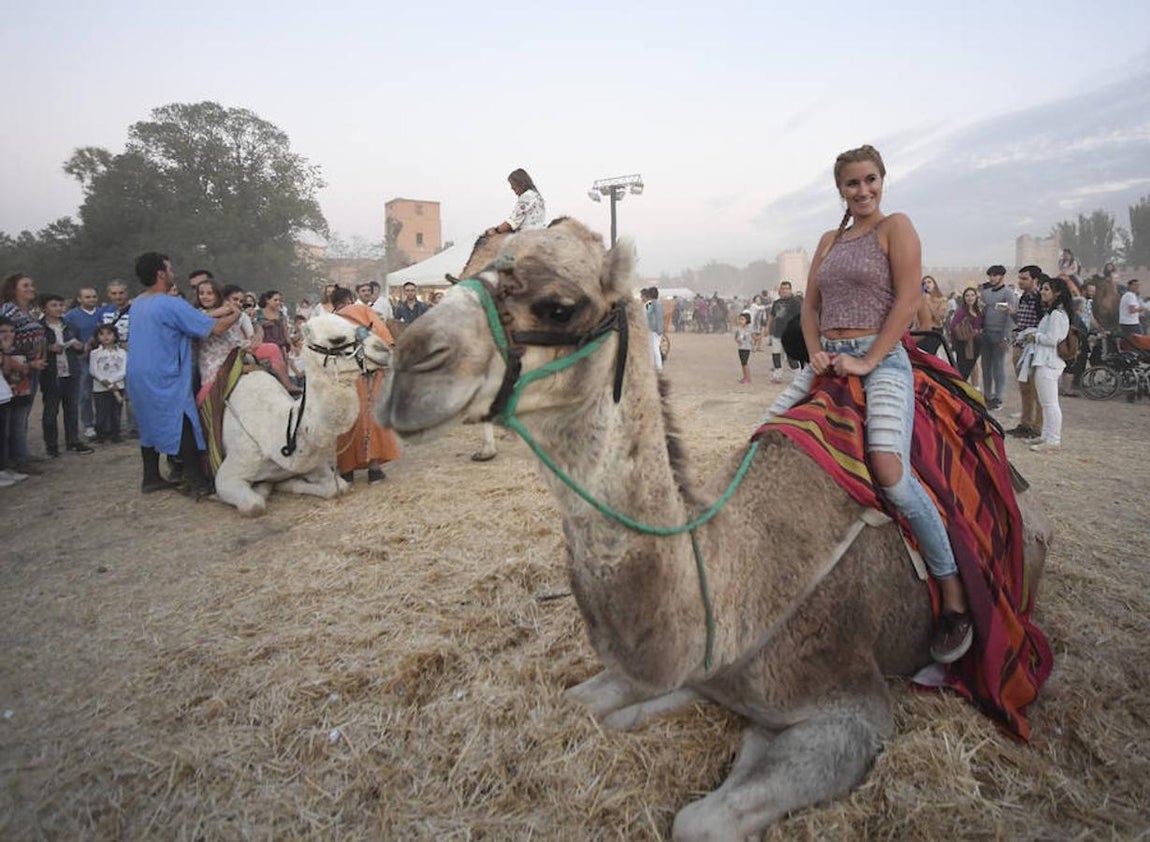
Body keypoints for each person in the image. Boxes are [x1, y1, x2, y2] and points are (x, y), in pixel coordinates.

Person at [761, 144, 971, 664]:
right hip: (827, 360)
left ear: (882, 180)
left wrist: (868, 359)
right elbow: (810, 307)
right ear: (840, 189)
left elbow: (905, 301)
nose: (863, 191)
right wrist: (815, 353)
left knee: (891, 473)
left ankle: (952, 597)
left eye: (870, 180)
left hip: (883, 360)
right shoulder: (829, 239)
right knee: (762, 444)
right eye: (852, 184)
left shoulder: (895, 227)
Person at [125, 252, 240, 495]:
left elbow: (198, 318)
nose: (172, 273)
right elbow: (215, 329)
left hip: (137, 373)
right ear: (160, 274)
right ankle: (196, 481)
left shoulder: (137, 303)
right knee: (184, 421)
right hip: (165, 374)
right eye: (169, 269)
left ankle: (151, 476)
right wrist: (236, 314)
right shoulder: (170, 303)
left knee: (148, 422)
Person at [330, 286, 399, 484]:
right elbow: (384, 339)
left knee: (346, 420)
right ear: (350, 299)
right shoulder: (363, 311)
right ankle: (374, 470)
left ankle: (347, 471)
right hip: (368, 373)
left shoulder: (328, 321)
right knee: (370, 418)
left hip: (341, 376)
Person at [0, 273, 47, 473]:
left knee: (24, 413)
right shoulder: (8, 310)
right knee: (16, 415)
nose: (31, 288)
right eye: (25, 285)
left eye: (32, 284)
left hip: (32, 366)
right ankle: (17, 459)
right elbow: (6, 339)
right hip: (17, 369)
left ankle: (21, 452)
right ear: (13, 289)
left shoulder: (27, 311)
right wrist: (28, 362)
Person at [1018, 277, 1071, 452]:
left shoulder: (1057, 314)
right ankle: (1046, 436)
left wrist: (1035, 336)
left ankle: (1053, 439)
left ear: (1057, 293)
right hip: (1043, 359)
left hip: (1049, 361)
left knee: (1050, 403)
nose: (1042, 292)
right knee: (1045, 401)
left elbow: (1053, 339)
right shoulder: (1052, 313)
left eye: (1046, 289)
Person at [38, 293, 92, 456]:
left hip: (71, 370)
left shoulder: (69, 325)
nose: (58, 308)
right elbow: (35, 349)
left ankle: (73, 440)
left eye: (61, 305)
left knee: (71, 409)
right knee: (51, 410)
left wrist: (78, 346)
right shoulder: (39, 328)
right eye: (54, 305)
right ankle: (52, 445)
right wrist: (49, 348)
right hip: (51, 373)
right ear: (44, 308)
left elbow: (81, 347)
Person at [1005, 266, 1043, 440]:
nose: (1021, 281)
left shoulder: (1040, 299)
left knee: (1037, 389)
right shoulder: (1023, 298)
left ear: (1035, 280)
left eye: (1025, 278)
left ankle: (1037, 427)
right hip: (1020, 345)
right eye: (1020, 278)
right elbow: (1022, 321)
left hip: (1034, 348)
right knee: (1025, 388)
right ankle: (1025, 423)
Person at [0, 316, 31, 487]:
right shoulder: (4, 351)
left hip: (14, 394)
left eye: (11, 331)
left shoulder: (18, 349)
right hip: (5, 392)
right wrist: (5, 352)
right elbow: (5, 369)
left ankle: (9, 466)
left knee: (12, 431)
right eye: (3, 332)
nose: (8, 335)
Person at [978, 265, 1012, 411]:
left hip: (1000, 334)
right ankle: (987, 395)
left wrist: (1006, 337)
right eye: (990, 275)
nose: (992, 278)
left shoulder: (1008, 293)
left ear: (1002, 276)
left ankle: (998, 397)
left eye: (995, 275)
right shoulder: (985, 293)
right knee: (985, 367)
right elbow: (982, 313)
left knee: (998, 367)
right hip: (986, 333)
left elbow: (1010, 317)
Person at [89, 324, 127, 443]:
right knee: (101, 412)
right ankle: (101, 435)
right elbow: (93, 370)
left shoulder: (122, 353)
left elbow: (124, 370)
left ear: (115, 336)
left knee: (115, 412)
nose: (105, 337)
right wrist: (104, 381)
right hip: (100, 387)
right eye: (102, 334)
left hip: (117, 386)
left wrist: (112, 381)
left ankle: (115, 434)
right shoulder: (95, 353)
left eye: (109, 333)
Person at [484, 167, 546, 237]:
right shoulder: (537, 196)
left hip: (526, 236)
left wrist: (496, 230)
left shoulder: (526, 197)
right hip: (540, 232)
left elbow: (513, 221)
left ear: (520, 183)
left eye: (513, 185)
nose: (511, 188)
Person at [766, 281, 802, 382]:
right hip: (777, 332)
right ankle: (777, 375)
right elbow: (772, 316)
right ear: (780, 290)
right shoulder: (776, 303)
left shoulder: (795, 302)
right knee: (776, 354)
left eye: (787, 288)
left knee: (791, 356)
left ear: (790, 290)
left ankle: (797, 375)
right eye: (783, 288)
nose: (785, 290)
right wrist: (767, 327)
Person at [947, 286, 984, 382]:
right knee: (963, 368)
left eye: (972, 295)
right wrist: (966, 334)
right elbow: (952, 326)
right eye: (967, 296)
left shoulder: (978, 311)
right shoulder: (961, 311)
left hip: (975, 343)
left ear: (976, 297)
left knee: (973, 366)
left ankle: (974, 389)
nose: (970, 298)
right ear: (964, 298)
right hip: (964, 345)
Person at [914, 275, 947, 354]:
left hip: (934, 332)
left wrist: (929, 302)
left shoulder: (942, 300)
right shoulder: (922, 299)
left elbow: (939, 318)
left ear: (934, 284)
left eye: (929, 282)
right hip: (922, 331)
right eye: (924, 283)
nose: (927, 285)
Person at [643, 287, 665, 373]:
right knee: (655, 348)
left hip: (652, 329)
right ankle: (657, 366)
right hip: (659, 329)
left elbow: (645, 313)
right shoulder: (659, 304)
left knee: (653, 349)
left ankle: (657, 367)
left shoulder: (649, 304)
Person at [734, 312, 753, 384]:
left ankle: (748, 378)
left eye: (742, 319)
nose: (740, 321)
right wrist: (737, 340)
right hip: (741, 348)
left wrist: (762, 335)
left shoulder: (750, 329)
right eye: (740, 319)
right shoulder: (738, 329)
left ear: (747, 320)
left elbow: (754, 337)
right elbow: (735, 337)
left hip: (747, 348)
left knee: (745, 363)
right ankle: (745, 377)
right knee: (742, 363)